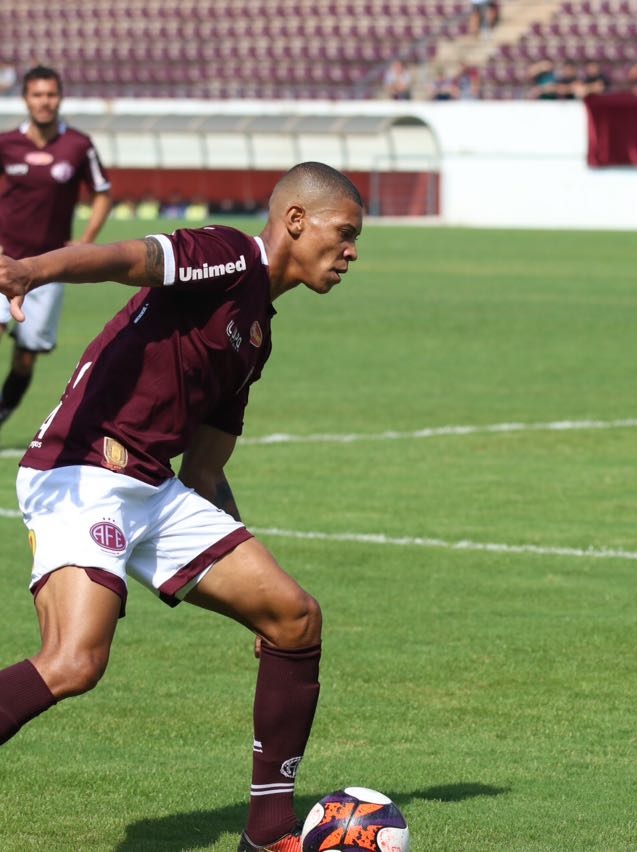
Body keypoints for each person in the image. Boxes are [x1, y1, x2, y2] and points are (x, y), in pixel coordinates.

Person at [0, 161, 364, 852]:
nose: (351, 253)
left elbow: (203, 471)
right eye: (343, 234)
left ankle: (268, 837)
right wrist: (32, 271)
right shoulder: (230, 255)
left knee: (293, 617)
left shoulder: (256, 333)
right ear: (295, 221)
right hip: (84, 469)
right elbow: (129, 258)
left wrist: (250, 573)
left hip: (155, 489)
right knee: (74, 662)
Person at [0, 66, 112, 432]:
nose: (44, 102)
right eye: (37, 95)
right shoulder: (6, 144)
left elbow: (102, 194)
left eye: (50, 94)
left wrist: (85, 241)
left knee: (26, 360)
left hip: (48, 270)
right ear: (26, 99)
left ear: (59, 97)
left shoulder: (78, 145)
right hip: (4, 260)